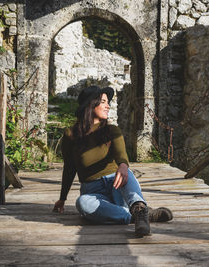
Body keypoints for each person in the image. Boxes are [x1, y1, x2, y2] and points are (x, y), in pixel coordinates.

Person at [53, 85, 173, 236]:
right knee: (82, 203)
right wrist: (62, 198)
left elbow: (121, 156)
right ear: (91, 104)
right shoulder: (71, 135)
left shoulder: (111, 130)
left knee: (126, 173)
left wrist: (123, 166)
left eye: (107, 102)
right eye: (103, 101)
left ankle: (139, 208)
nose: (108, 105)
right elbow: (69, 168)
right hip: (92, 191)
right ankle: (136, 216)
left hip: (117, 185)